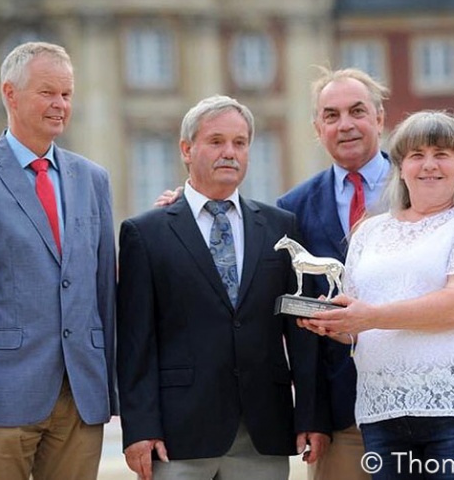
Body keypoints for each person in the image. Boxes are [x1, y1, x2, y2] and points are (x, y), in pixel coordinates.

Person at [116, 95, 330, 480]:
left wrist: (312, 414)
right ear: (186, 149)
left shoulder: (281, 227)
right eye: (216, 142)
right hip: (178, 435)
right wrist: (140, 428)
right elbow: (135, 342)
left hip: (263, 430)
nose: (229, 152)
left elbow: (300, 334)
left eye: (240, 143)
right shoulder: (144, 233)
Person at [301, 110, 454, 479]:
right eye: (416, 155)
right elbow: (357, 322)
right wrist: (334, 322)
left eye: (441, 154)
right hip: (384, 412)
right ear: (400, 167)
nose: (428, 165)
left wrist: (368, 317)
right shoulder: (369, 232)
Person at [0, 42, 117, 480]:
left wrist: (112, 394)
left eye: (66, 94)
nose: (60, 105)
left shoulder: (93, 180)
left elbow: (105, 294)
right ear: (10, 94)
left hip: (81, 400)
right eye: (48, 93)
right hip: (2, 402)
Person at [276, 67, 389, 480]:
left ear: (379, 118)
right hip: (341, 417)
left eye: (357, 111)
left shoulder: (424, 185)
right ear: (317, 128)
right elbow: (297, 328)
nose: (345, 125)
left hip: (423, 404)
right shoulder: (292, 208)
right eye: (331, 115)